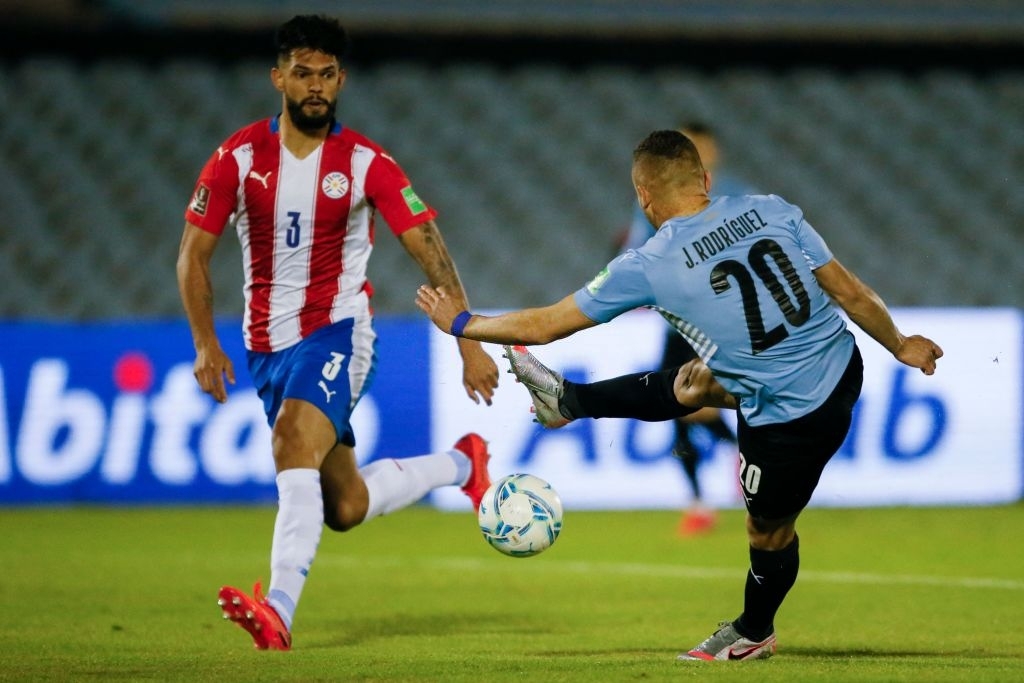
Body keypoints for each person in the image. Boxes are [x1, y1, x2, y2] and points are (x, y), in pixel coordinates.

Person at [415, 129, 943, 661]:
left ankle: (754, 630)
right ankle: (568, 401)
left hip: (790, 418)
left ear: (643, 197)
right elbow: (850, 291)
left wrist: (461, 321)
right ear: (706, 181)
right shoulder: (773, 210)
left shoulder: (650, 263)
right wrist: (899, 344)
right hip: (842, 364)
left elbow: (548, 324)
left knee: (767, 531)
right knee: (695, 380)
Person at [176, 15, 500, 651]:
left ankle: (279, 611)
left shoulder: (366, 163)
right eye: (303, 73)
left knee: (292, 440)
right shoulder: (238, 158)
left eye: (327, 74)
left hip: (339, 333)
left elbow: (431, 251)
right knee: (345, 506)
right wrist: (204, 343)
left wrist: (469, 341)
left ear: (341, 80)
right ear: (279, 79)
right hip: (266, 346)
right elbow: (192, 255)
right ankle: (463, 462)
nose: (316, 85)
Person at [613, 121, 758, 536]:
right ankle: (701, 499)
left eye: (702, 149)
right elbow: (636, 248)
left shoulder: (738, 195)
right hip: (679, 324)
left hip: (726, 322)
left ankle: (741, 459)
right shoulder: (656, 199)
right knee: (676, 406)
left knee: (699, 402)